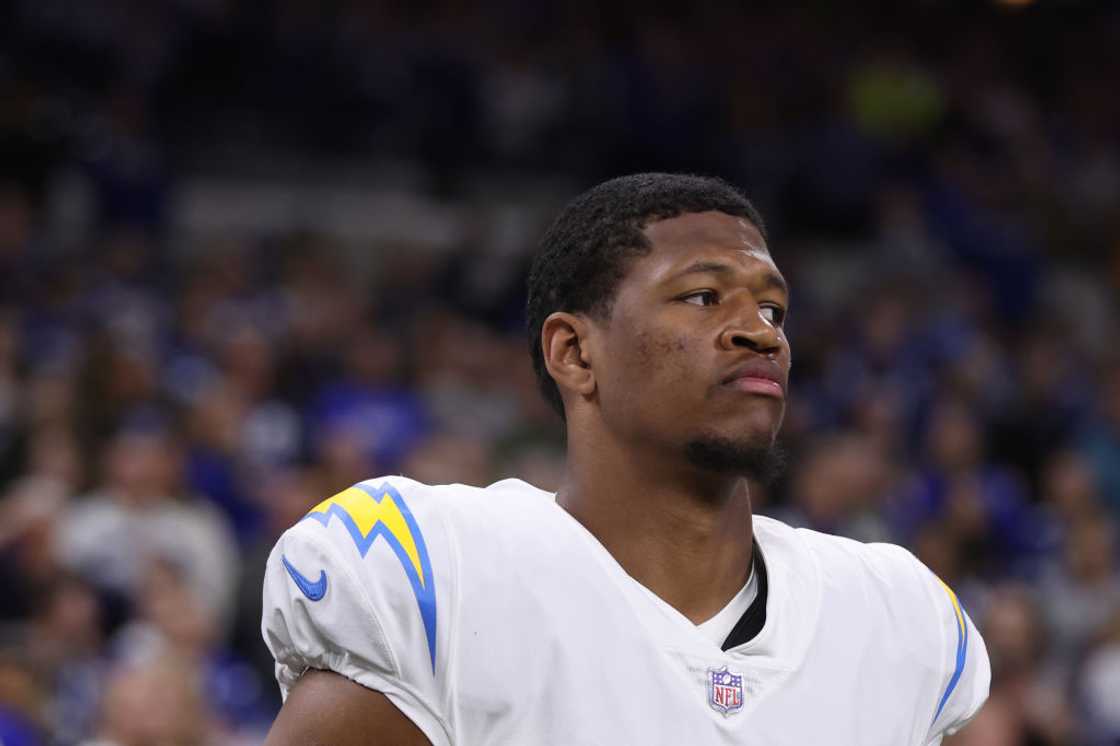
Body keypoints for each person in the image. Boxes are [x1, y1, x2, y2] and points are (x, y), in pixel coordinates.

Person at [261, 173, 990, 745]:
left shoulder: (895, 617)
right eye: (704, 297)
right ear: (575, 352)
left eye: (773, 310)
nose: (760, 334)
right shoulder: (440, 575)